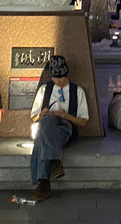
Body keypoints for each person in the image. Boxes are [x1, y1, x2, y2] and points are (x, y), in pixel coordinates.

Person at [27, 56, 88, 202]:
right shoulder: (44, 90)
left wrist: (67, 116)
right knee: (45, 124)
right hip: (47, 124)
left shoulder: (77, 91)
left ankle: (43, 183)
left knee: (41, 137)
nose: (59, 82)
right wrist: (42, 114)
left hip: (66, 127)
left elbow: (83, 122)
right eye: (56, 78)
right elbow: (33, 118)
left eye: (62, 78)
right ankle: (54, 164)